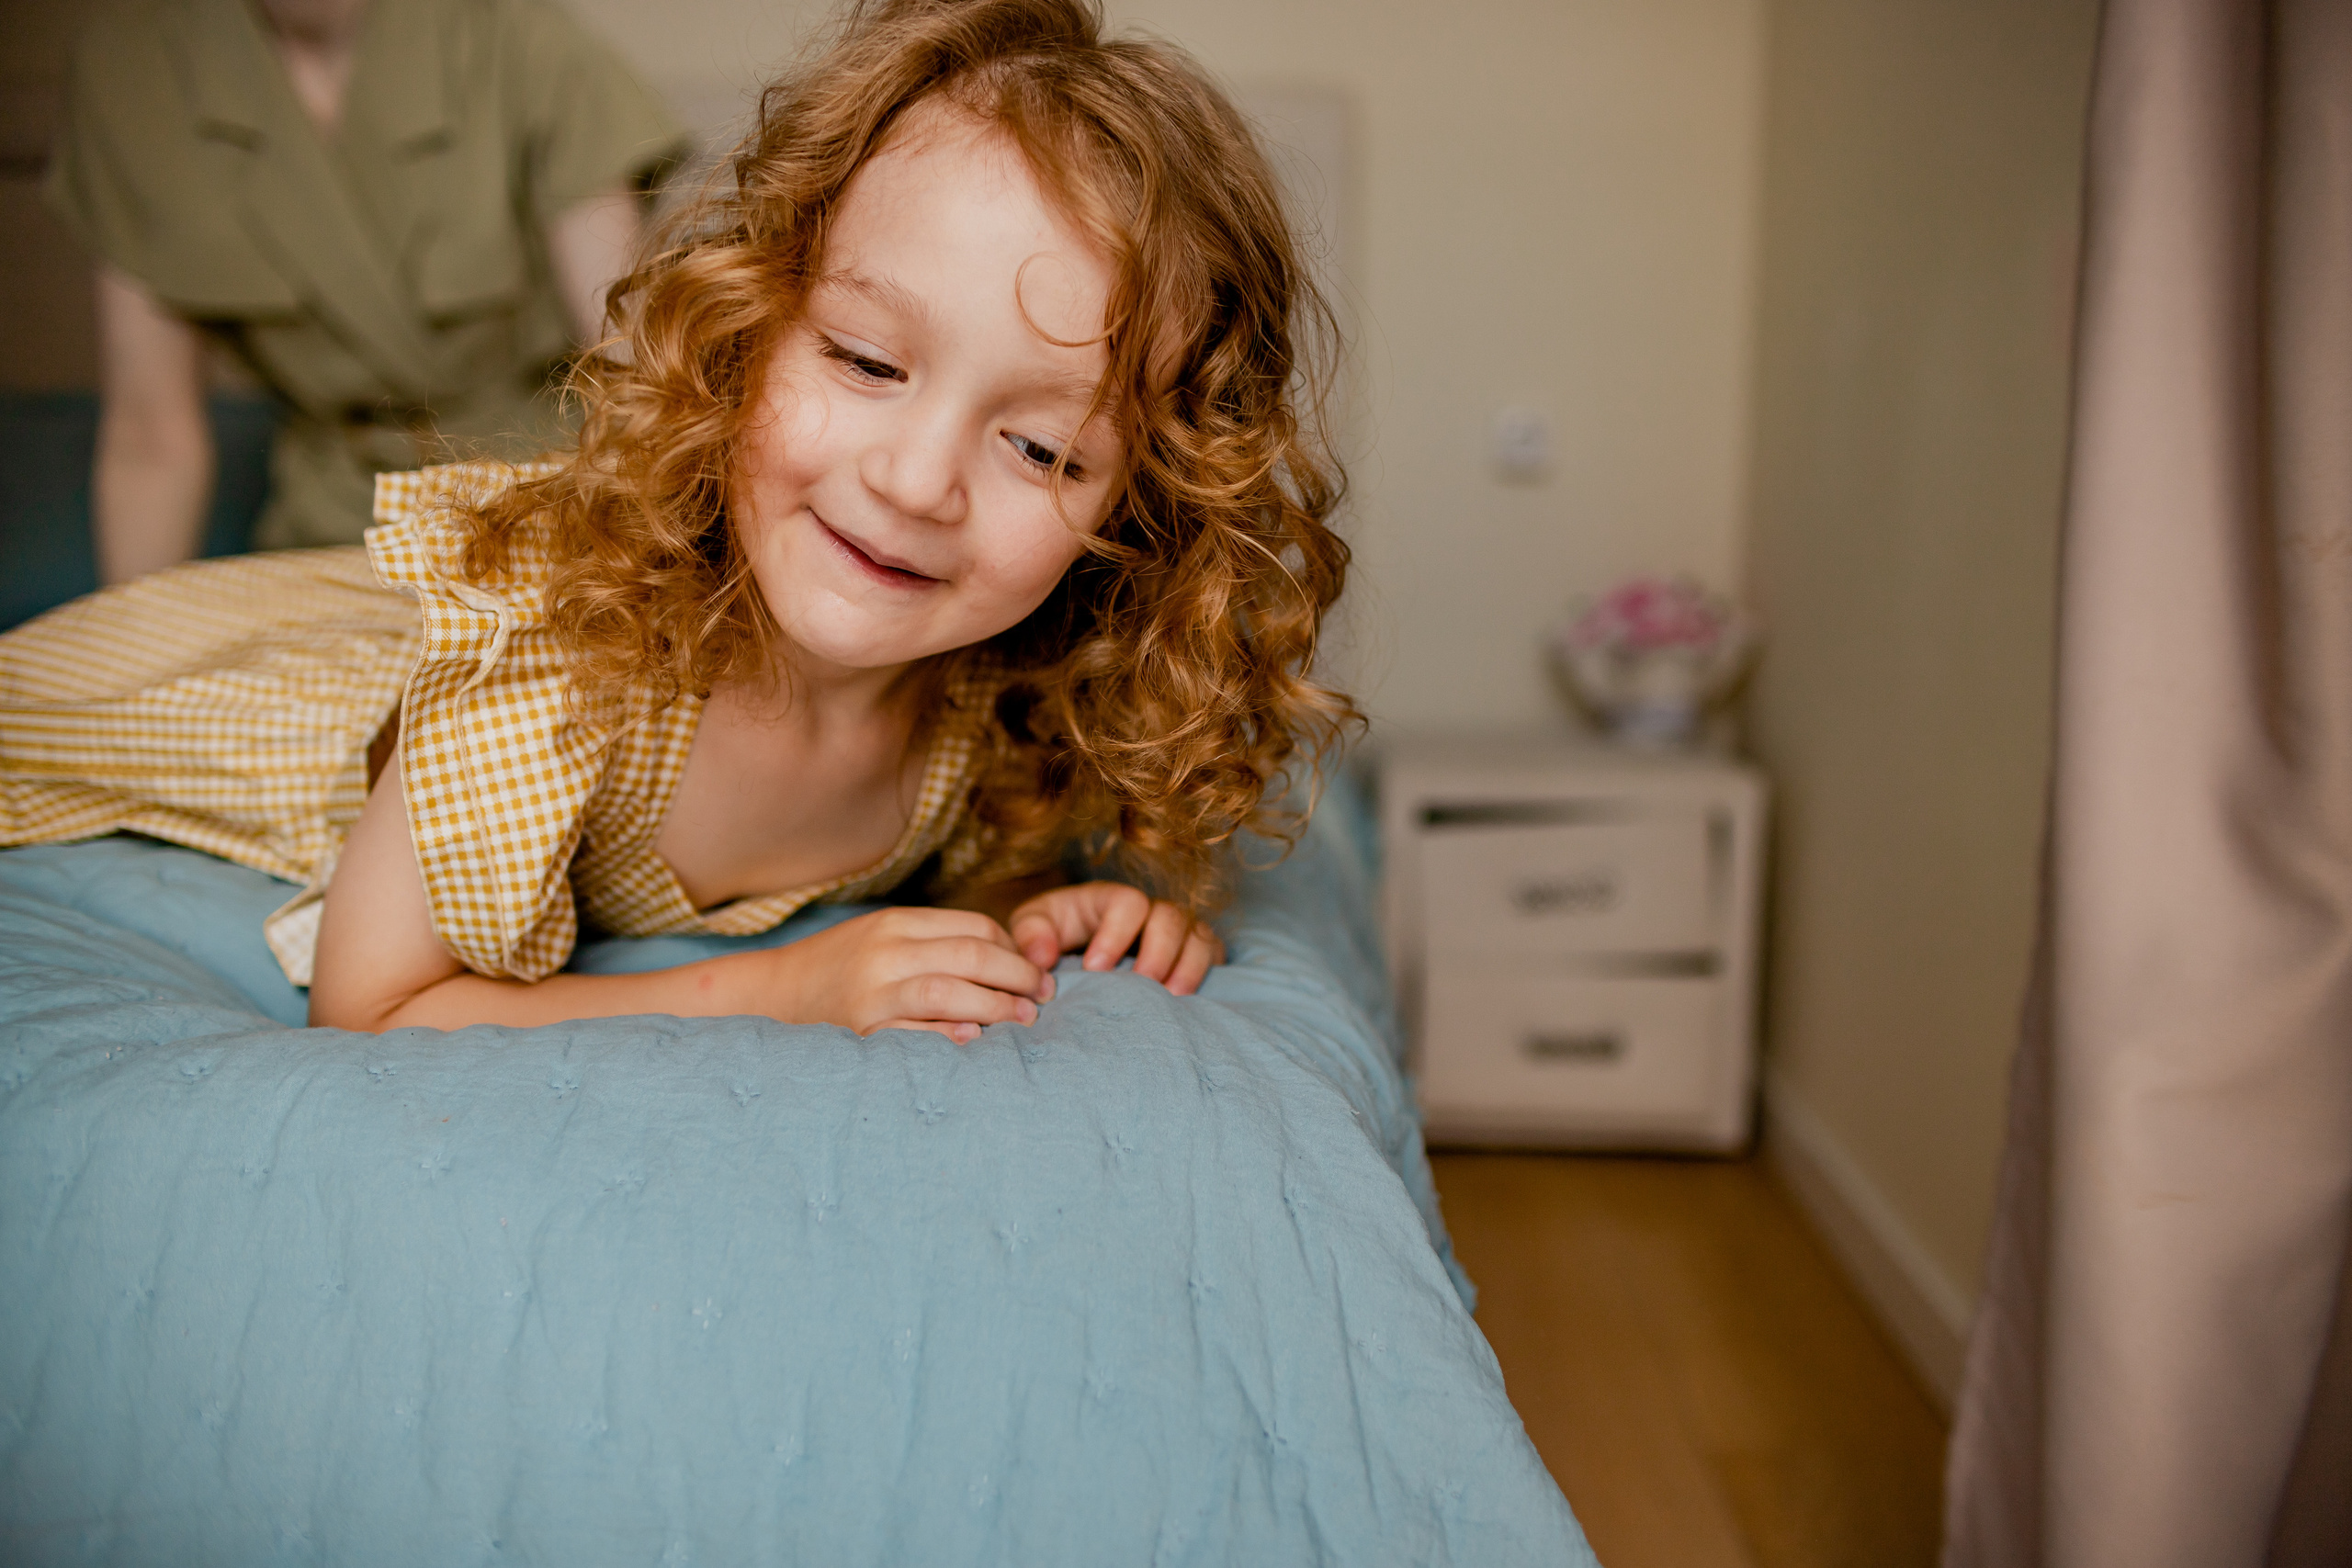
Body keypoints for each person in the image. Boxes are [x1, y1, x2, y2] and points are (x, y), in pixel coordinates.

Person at [0, 0, 1356, 1040]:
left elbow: (971, 886)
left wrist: (1061, 915)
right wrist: (784, 984)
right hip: (182, 708)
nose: (917, 480)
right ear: (748, 330)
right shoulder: (566, 645)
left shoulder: (991, 700)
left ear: (1138, 513)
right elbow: (373, 1007)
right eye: (868, 363)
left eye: (1043, 445)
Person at [45, 0, 688, 581]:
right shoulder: (130, 77)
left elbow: (629, 367)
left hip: (542, 495)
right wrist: (136, 668)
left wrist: (644, 570)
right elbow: (151, 438)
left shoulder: (527, 43)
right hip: (327, 525)